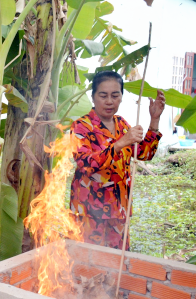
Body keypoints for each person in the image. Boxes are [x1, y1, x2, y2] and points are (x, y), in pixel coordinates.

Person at [70, 71, 166, 250]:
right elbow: (86, 164)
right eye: (103, 95)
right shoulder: (82, 127)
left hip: (119, 209)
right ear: (93, 97)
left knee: (117, 264)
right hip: (90, 211)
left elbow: (144, 154)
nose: (109, 101)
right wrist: (119, 144)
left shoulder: (121, 124)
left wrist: (154, 120)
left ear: (121, 97)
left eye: (115, 95)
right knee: (88, 262)